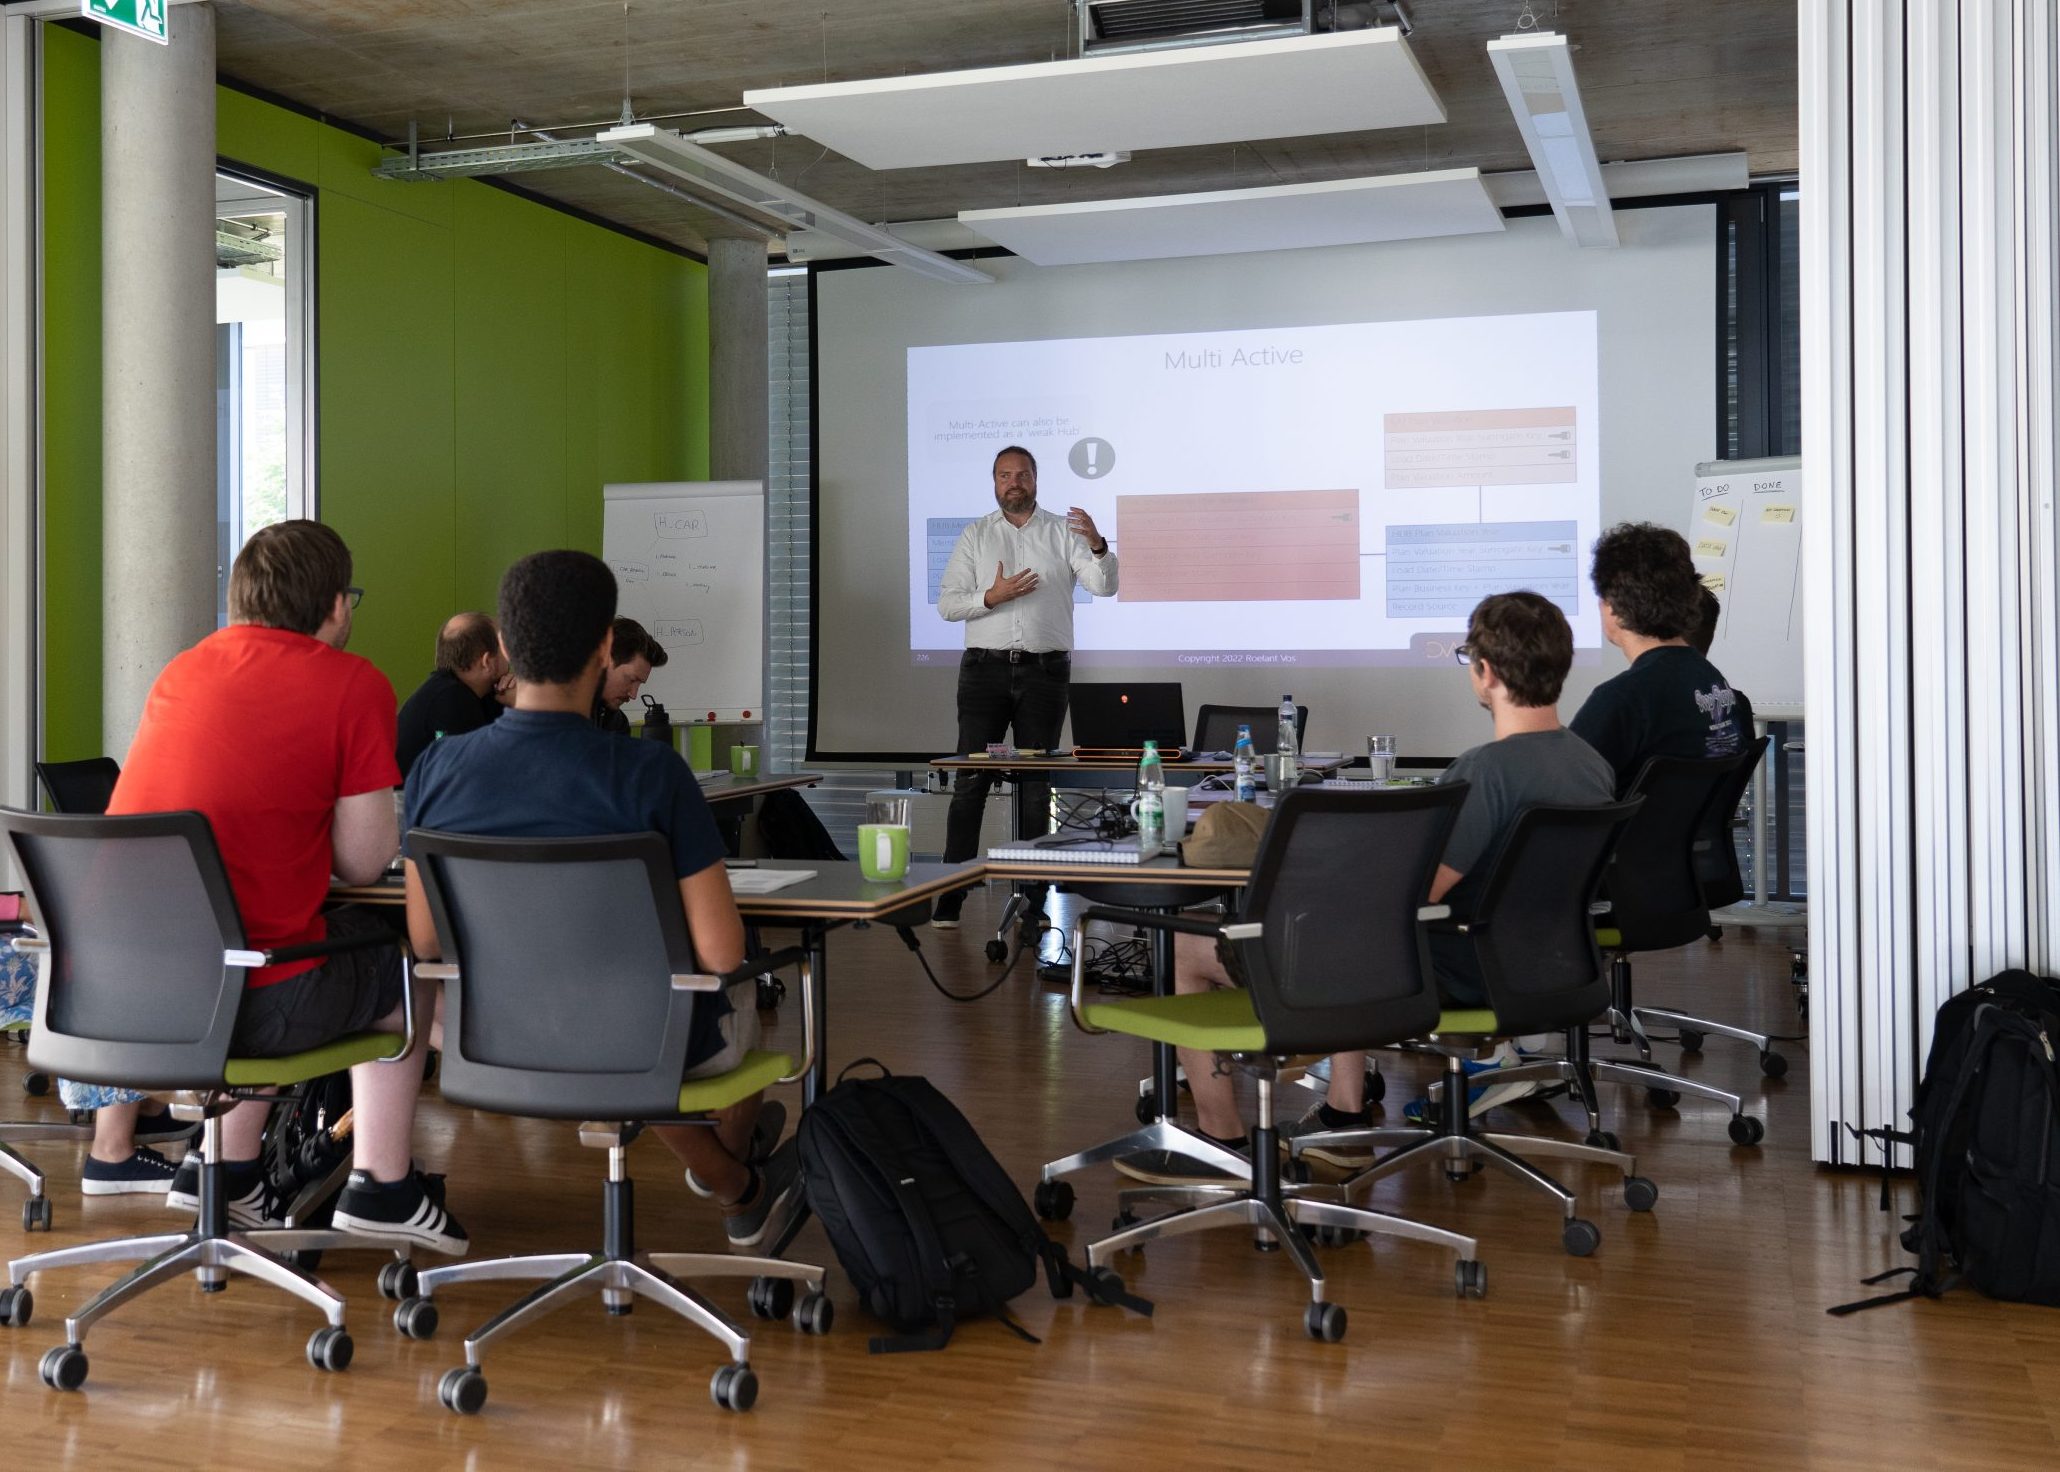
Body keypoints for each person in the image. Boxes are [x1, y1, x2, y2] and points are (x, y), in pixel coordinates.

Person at [1128, 592, 1615, 1182]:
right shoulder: (1591, 764)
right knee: (1346, 928)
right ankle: (1342, 1118)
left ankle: (1220, 1141)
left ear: (1484, 671)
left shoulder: (1484, 772)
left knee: (1191, 948)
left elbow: (1411, 898)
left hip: (1456, 975)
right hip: (1546, 967)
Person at [404, 551, 795, 1245]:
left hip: (492, 1038)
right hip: (645, 1039)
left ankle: (737, 1179)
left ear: (505, 650)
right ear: (606, 644)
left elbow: (427, 941)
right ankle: (734, 1181)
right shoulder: (652, 775)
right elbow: (720, 950)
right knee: (737, 1014)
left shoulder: (438, 769)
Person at [112, 520, 464, 1250]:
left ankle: (228, 1174)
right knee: (403, 964)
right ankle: (384, 1187)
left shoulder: (179, 672)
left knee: (264, 943)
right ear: (336, 605)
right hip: (248, 1000)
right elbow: (365, 865)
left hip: (130, 995)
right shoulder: (352, 682)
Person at [930, 445, 1119, 929]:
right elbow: (948, 605)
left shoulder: (1063, 532)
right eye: (1004, 475)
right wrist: (992, 597)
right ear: (994, 482)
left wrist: (1098, 545)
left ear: (1036, 479)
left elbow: (1103, 586)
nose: (1014, 482)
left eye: (1023, 474)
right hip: (984, 673)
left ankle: (1034, 901)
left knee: (1036, 788)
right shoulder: (975, 535)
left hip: (1045, 673)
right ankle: (951, 897)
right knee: (971, 781)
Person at [1570, 522, 1749, 793]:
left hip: (1631, 837)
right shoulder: (1716, 685)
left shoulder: (1622, 701)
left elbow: (1558, 794)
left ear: (1613, 608)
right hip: (1685, 836)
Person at [394, 611, 509, 776]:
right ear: (487, 662)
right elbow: (481, 775)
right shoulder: (451, 700)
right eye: (505, 647)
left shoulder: (472, 693)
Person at [591, 616, 667, 736]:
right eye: (631, 680)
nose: (633, 695)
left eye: (639, 684)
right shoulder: (558, 713)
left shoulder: (617, 723)